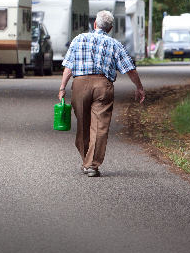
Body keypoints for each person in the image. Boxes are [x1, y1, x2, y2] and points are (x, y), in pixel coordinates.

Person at [58, 10, 145, 177]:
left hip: (80, 85)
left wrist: (62, 87)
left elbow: (68, 67)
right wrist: (139, 87)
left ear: (94, 24)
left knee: (83, 124)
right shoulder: (115, 44)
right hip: (103, 86)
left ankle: (87, 161)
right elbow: (130, 69)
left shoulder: (79, 39)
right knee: (99, 126)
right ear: (110, 28)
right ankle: (91, 164)